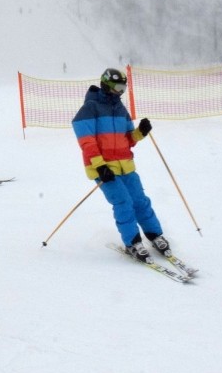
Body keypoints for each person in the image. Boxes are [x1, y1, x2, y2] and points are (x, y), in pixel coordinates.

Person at [71, 68, 170, 263]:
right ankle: (132, 242)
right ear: (106, 85)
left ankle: (154, 234)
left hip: (126, 166)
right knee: (123, 202)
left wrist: (140, 132)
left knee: (140, 200)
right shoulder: (90, 108)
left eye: (123, 88)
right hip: (104, 169)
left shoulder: (120, 109)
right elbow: (86, 141)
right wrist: (100, 166)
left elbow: (127, 140)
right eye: (117, 87)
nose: (121, 92)